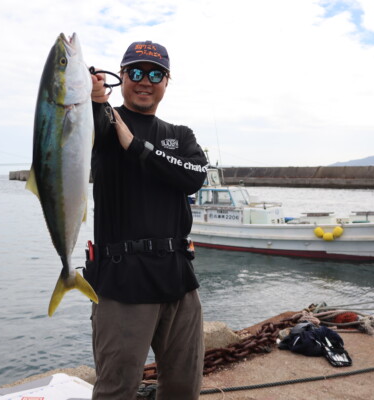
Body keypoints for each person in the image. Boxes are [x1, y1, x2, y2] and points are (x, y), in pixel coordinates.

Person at [84, 40, 209, 400]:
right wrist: (93, 99)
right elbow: (85, 128)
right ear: (120, 77)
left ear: (166, 81)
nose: (145, 81)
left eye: (155, 73)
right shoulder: (105, 126)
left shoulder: (180, 135)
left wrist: (137, 147)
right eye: (135, 72)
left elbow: (194, 175)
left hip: (178, 278)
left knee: (184, 387)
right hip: (122, 280)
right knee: (116, 389)